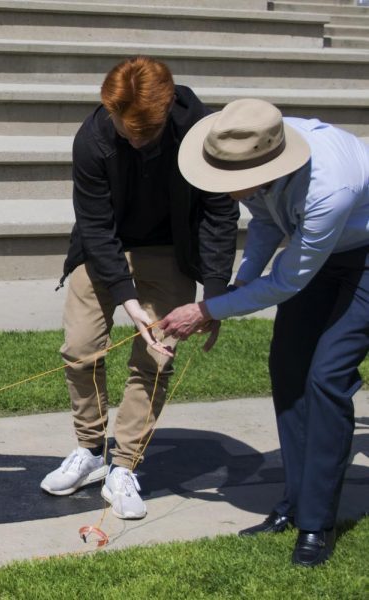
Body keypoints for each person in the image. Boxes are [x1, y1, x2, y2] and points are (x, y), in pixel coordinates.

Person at [161, 98, 369, 566]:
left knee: (328, 375)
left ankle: (316, 525)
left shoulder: (329, 185)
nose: (228, 191)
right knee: (289, 368)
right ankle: (296, 502)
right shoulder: (255, 141)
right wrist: (240, 282)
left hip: (364, 255)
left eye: (233, 184)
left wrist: (208, 309)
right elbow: (267, 221)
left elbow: (289, 281)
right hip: (320, 251)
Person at [41, 57, 239, 519]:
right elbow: (94, 224)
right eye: (124, 131)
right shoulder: (92, 139)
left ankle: (124, 466)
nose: (132, 140)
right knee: (79, 348)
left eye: (142, 135)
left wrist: (213, 297)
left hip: (171, 251)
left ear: (166, 109)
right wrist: (128, 299)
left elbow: (219, 213)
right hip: (104, 249)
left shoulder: (201, 130)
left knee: (154, 359)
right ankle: (90, 451)